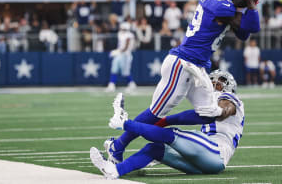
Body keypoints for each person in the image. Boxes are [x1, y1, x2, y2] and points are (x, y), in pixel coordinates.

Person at [103, 0, 261, 165]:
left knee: (208, 115)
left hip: (198, 67)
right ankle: (118, 144)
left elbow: (247, 31)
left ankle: (140, 136)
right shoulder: (213, 2)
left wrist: (251, 5)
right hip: (183, 64)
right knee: (155, 113)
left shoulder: (221, 5)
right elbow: (239, 15)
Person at [90, 70, 244, 179]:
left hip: (216, 152)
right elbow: (193, 117)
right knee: (154, 149)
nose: (214, 84)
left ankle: (124, 123)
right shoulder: (210, 104)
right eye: (212, 81)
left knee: (172, 134)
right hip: (203, 160)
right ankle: (115, 170)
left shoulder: (230, 99)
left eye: (219, 83)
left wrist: (220, 111)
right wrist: (164, 121)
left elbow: (225, 109)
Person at [106, 17, 137, 93]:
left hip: (126, 55)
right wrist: (117, 51)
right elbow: (120, 46)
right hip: (120, 54)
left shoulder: (129, 35)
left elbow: (126, 47)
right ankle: (112, 84)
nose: (121, 29)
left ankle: (131, 84)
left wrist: (117, 52)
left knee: (125, 72)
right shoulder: (120, 34)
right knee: (114, 67)